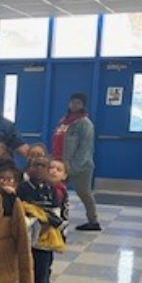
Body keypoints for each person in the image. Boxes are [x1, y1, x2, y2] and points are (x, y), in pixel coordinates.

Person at [18, 155, 64, 283]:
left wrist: (48, 219)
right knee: (25, 270)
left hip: (45, 239)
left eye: (43, 166)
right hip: (27, 237)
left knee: (42, 271)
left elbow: (56, 212)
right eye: (35, 165)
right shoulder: (22, 188)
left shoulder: (51, 190)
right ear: (28, 168)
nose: (39, 169)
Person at [53, 93, 99, 231]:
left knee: (84, 193)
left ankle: (93, 221)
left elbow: (85, 149)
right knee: (56, 191)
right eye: (72, 102)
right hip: (60, 163)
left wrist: (71, 168)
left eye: (78, 103)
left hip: (79, 166)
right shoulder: (64, 120)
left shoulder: (85, 123)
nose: (74, 105)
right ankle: (56, 217)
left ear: (83, 105)